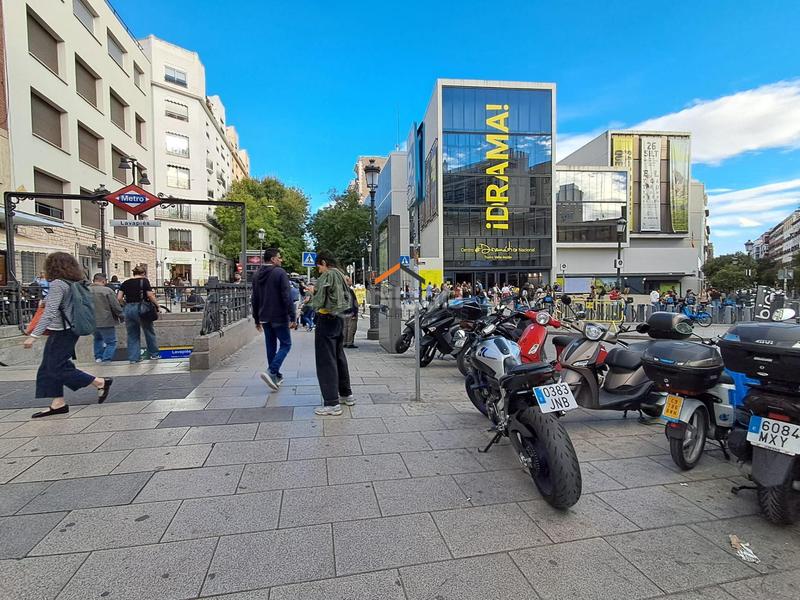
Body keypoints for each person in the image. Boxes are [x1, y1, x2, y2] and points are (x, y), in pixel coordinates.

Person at [23, 253, 113, 417]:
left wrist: (33, 335)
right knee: (50, 366)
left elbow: (49, 313)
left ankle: (99, 382)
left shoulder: (58, 284)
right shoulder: (74, 282)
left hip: (62, 331)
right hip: (69, 329)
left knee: (54, 367)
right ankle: (58, 403)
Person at [310, 251, 353, 416]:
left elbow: (321, 299)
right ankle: (346, 394)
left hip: (326, 318)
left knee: (326, 360)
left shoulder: (327, 275)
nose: (319, 270)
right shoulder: (341, 275)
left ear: (323, 262)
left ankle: (331, 403)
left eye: (319, 266)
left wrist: (312, 292)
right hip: (338, 319)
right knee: (339, 356)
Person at [252, 247, 296, 390]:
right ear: (272, 259)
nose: (281, 259)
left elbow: (255, 298)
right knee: (286, 344)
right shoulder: (280, 273)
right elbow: (286, 296)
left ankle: (275, 376)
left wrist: (256, 318)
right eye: (279, 257)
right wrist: (292, 315)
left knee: (270, 346)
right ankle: (271, 372)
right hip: (279, 316)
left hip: (264, 316)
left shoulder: (257, 274)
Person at [118, 266, 160, 364]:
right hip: (142, 309)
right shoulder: (144, 281)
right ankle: (154, 354)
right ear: (143, 273)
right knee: (149, 331)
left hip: (128, 309)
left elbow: (119, 298)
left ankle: (134, 358)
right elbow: (150, 295)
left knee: (132, 334)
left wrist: (126, 304)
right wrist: (157, 305)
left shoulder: (125, 282)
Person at [90, 273, 123, 363]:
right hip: (106, 320)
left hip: (91, 321)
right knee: (111, 342)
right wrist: (121, 316)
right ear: (103, 281)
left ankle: (98, 358)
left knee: (97, 339)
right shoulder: (107, 290)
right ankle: (106, 359)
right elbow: (115, 306)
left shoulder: (86, 290)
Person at [342, 276, 359, 349]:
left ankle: (344, 342)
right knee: (351, 328)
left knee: (345, 327)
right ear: (347, 281)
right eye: (350, 280)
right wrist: (354, 313)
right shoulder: (349, 291)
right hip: (351, 312)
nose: (351, 281)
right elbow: (354, 302)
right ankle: (350, 343)